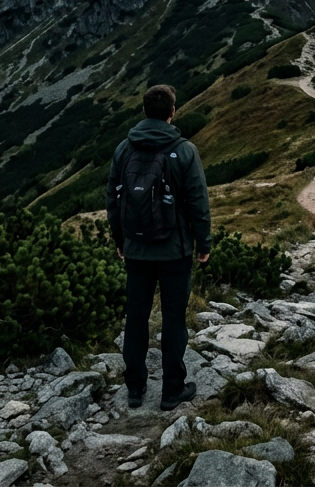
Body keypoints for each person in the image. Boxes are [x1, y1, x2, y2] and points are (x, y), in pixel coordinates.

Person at [106, 83, 211, 410]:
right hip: (175, 251)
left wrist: (119, 239)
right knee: (173, 319)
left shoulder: (125, 149)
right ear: (172, 112)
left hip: (136, 250)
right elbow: (198, 201)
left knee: (135, 317)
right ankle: (171, 391)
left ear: (144, 111)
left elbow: (113, 197)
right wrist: (203, 242)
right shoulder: (184, 150)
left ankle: (135, 389)